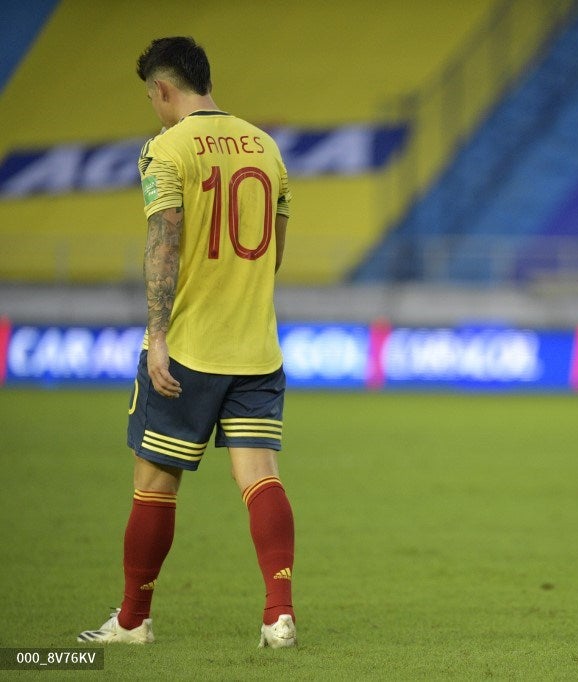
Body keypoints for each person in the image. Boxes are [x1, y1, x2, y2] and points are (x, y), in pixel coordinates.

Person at [78, 37, 296, 649]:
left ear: (163, 90)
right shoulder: (267, 146)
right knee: (261, 478)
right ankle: (279, 614)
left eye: (153, 96)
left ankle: (131, 621)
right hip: (257, 348)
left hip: (191, 350)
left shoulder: (165, 150)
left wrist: (157, 336)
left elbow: (163, 242)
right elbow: (273, 255)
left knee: (154, 482)